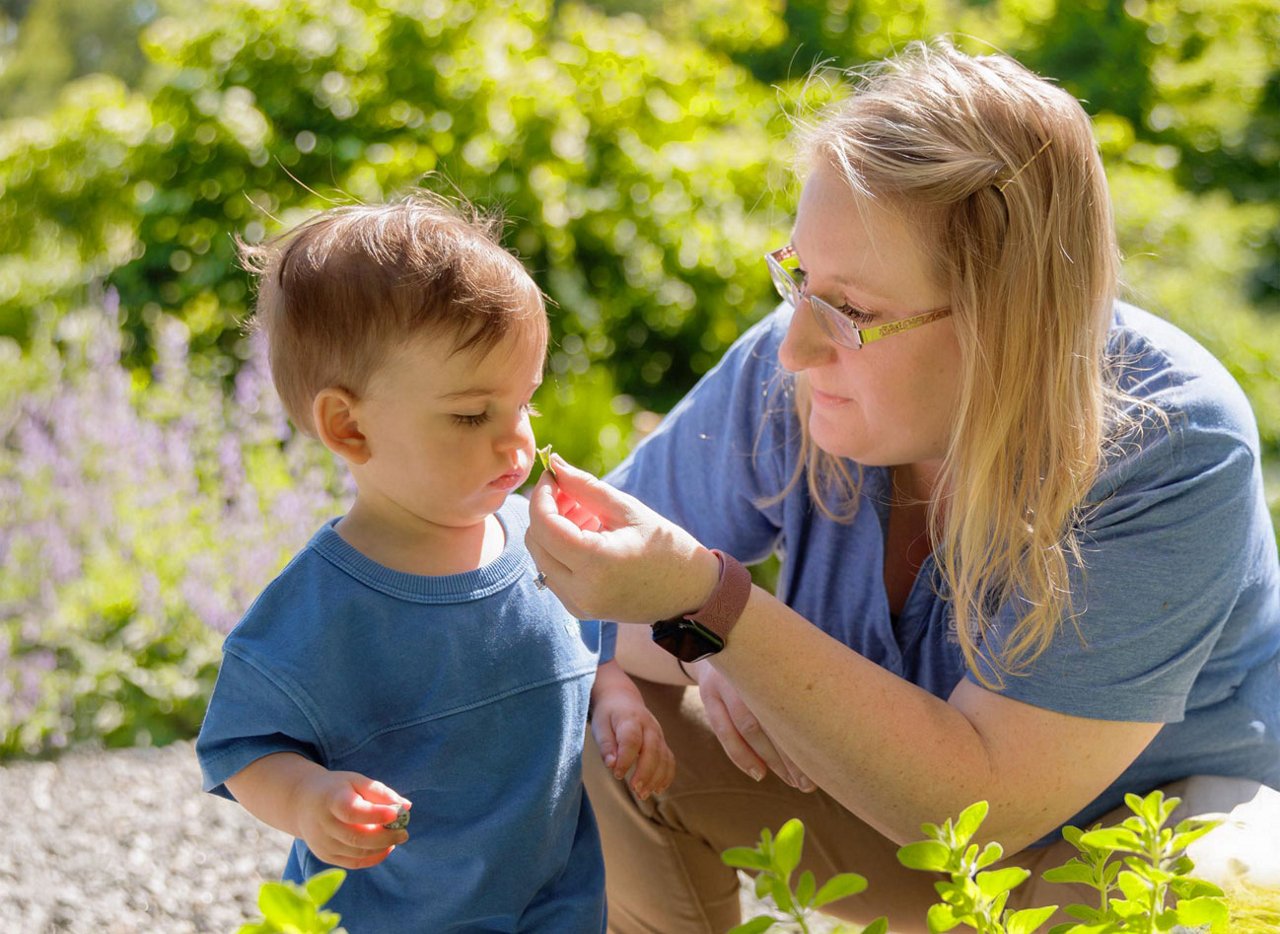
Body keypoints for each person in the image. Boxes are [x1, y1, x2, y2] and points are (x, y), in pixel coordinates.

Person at [525, 39, 1280, 933]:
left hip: (1135, 855)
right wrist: (655, 651)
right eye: (795, 277)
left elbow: (985, 817)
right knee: (591, 726)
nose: (798, 346)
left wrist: (715, 616)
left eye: (853, 311)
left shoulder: (1168, 444)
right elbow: (540, 564)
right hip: (892, 814)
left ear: (1008, 316)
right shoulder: (798, 361)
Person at [195, 194, 675, 933]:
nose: (516, 444)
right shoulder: (321, 607)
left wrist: (616, 701)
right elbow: (244, 746)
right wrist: (308, 800)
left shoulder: (539, 542)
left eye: (525, 405)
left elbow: (588, 650)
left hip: (555, 905)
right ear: (348, 427)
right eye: (471, 415)